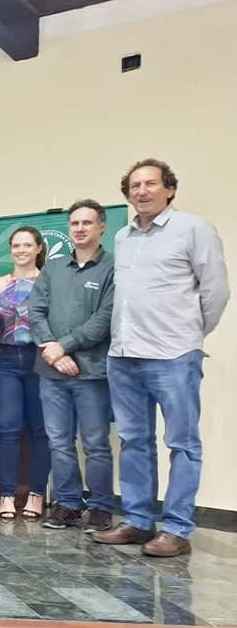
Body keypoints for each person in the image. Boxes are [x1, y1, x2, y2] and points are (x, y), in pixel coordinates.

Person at [92, 158, 229, 557]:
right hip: (124, 354)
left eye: (151, 183)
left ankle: (177, 530)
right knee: (134, 440)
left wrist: (191, 335)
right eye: (135, 186)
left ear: (170, 189)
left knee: (182, 443)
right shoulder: (122, 237)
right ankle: (137, 522)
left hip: (173, 355)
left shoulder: (194, 228)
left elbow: (216, 292)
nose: (142, 191)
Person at [30, 200, 116, 533]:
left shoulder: (112, 268)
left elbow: (105, 318)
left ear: (102, 227)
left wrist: (64, 345)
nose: (79, 229)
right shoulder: (53, 267)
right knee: (58, 441)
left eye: (87, 223)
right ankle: (67, 503)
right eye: (74, 223)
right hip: (51, 372)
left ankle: (100, 507)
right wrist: (53, 351)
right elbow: (36, 311)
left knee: (95, 443)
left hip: (91, 372)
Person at [0, 226, 51, 520]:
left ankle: (36, 494)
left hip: (40, 360)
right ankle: (7, 495)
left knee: (41, 430)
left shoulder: (50, 282)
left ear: (39, 248)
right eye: (16, 245)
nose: (21, 250)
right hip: (4, 361)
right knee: (7, 428)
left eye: (27, 245)